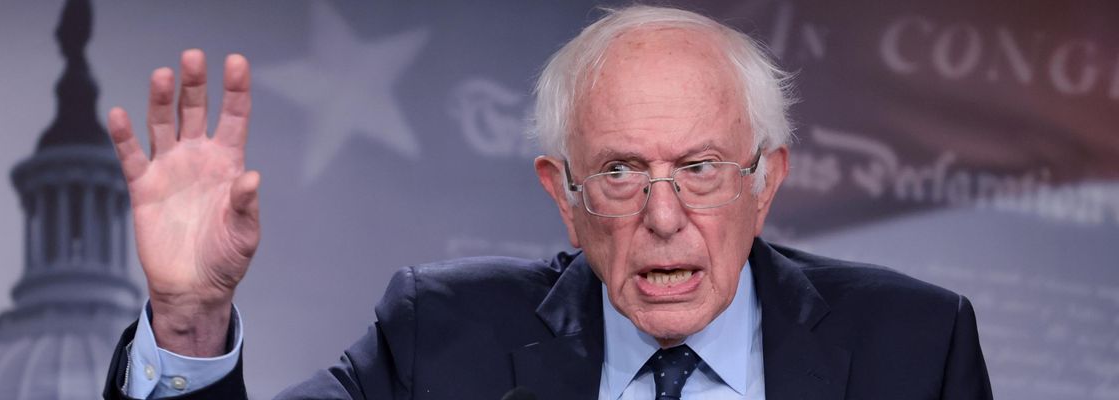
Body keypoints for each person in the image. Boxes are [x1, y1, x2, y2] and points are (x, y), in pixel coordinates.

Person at [101, 5, 992, 400]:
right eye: (619, 172)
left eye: (701, 167)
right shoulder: (440, 336)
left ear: (766, 181)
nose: (665, 213)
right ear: (561, 196)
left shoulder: (913, 349)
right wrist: (188, 322)